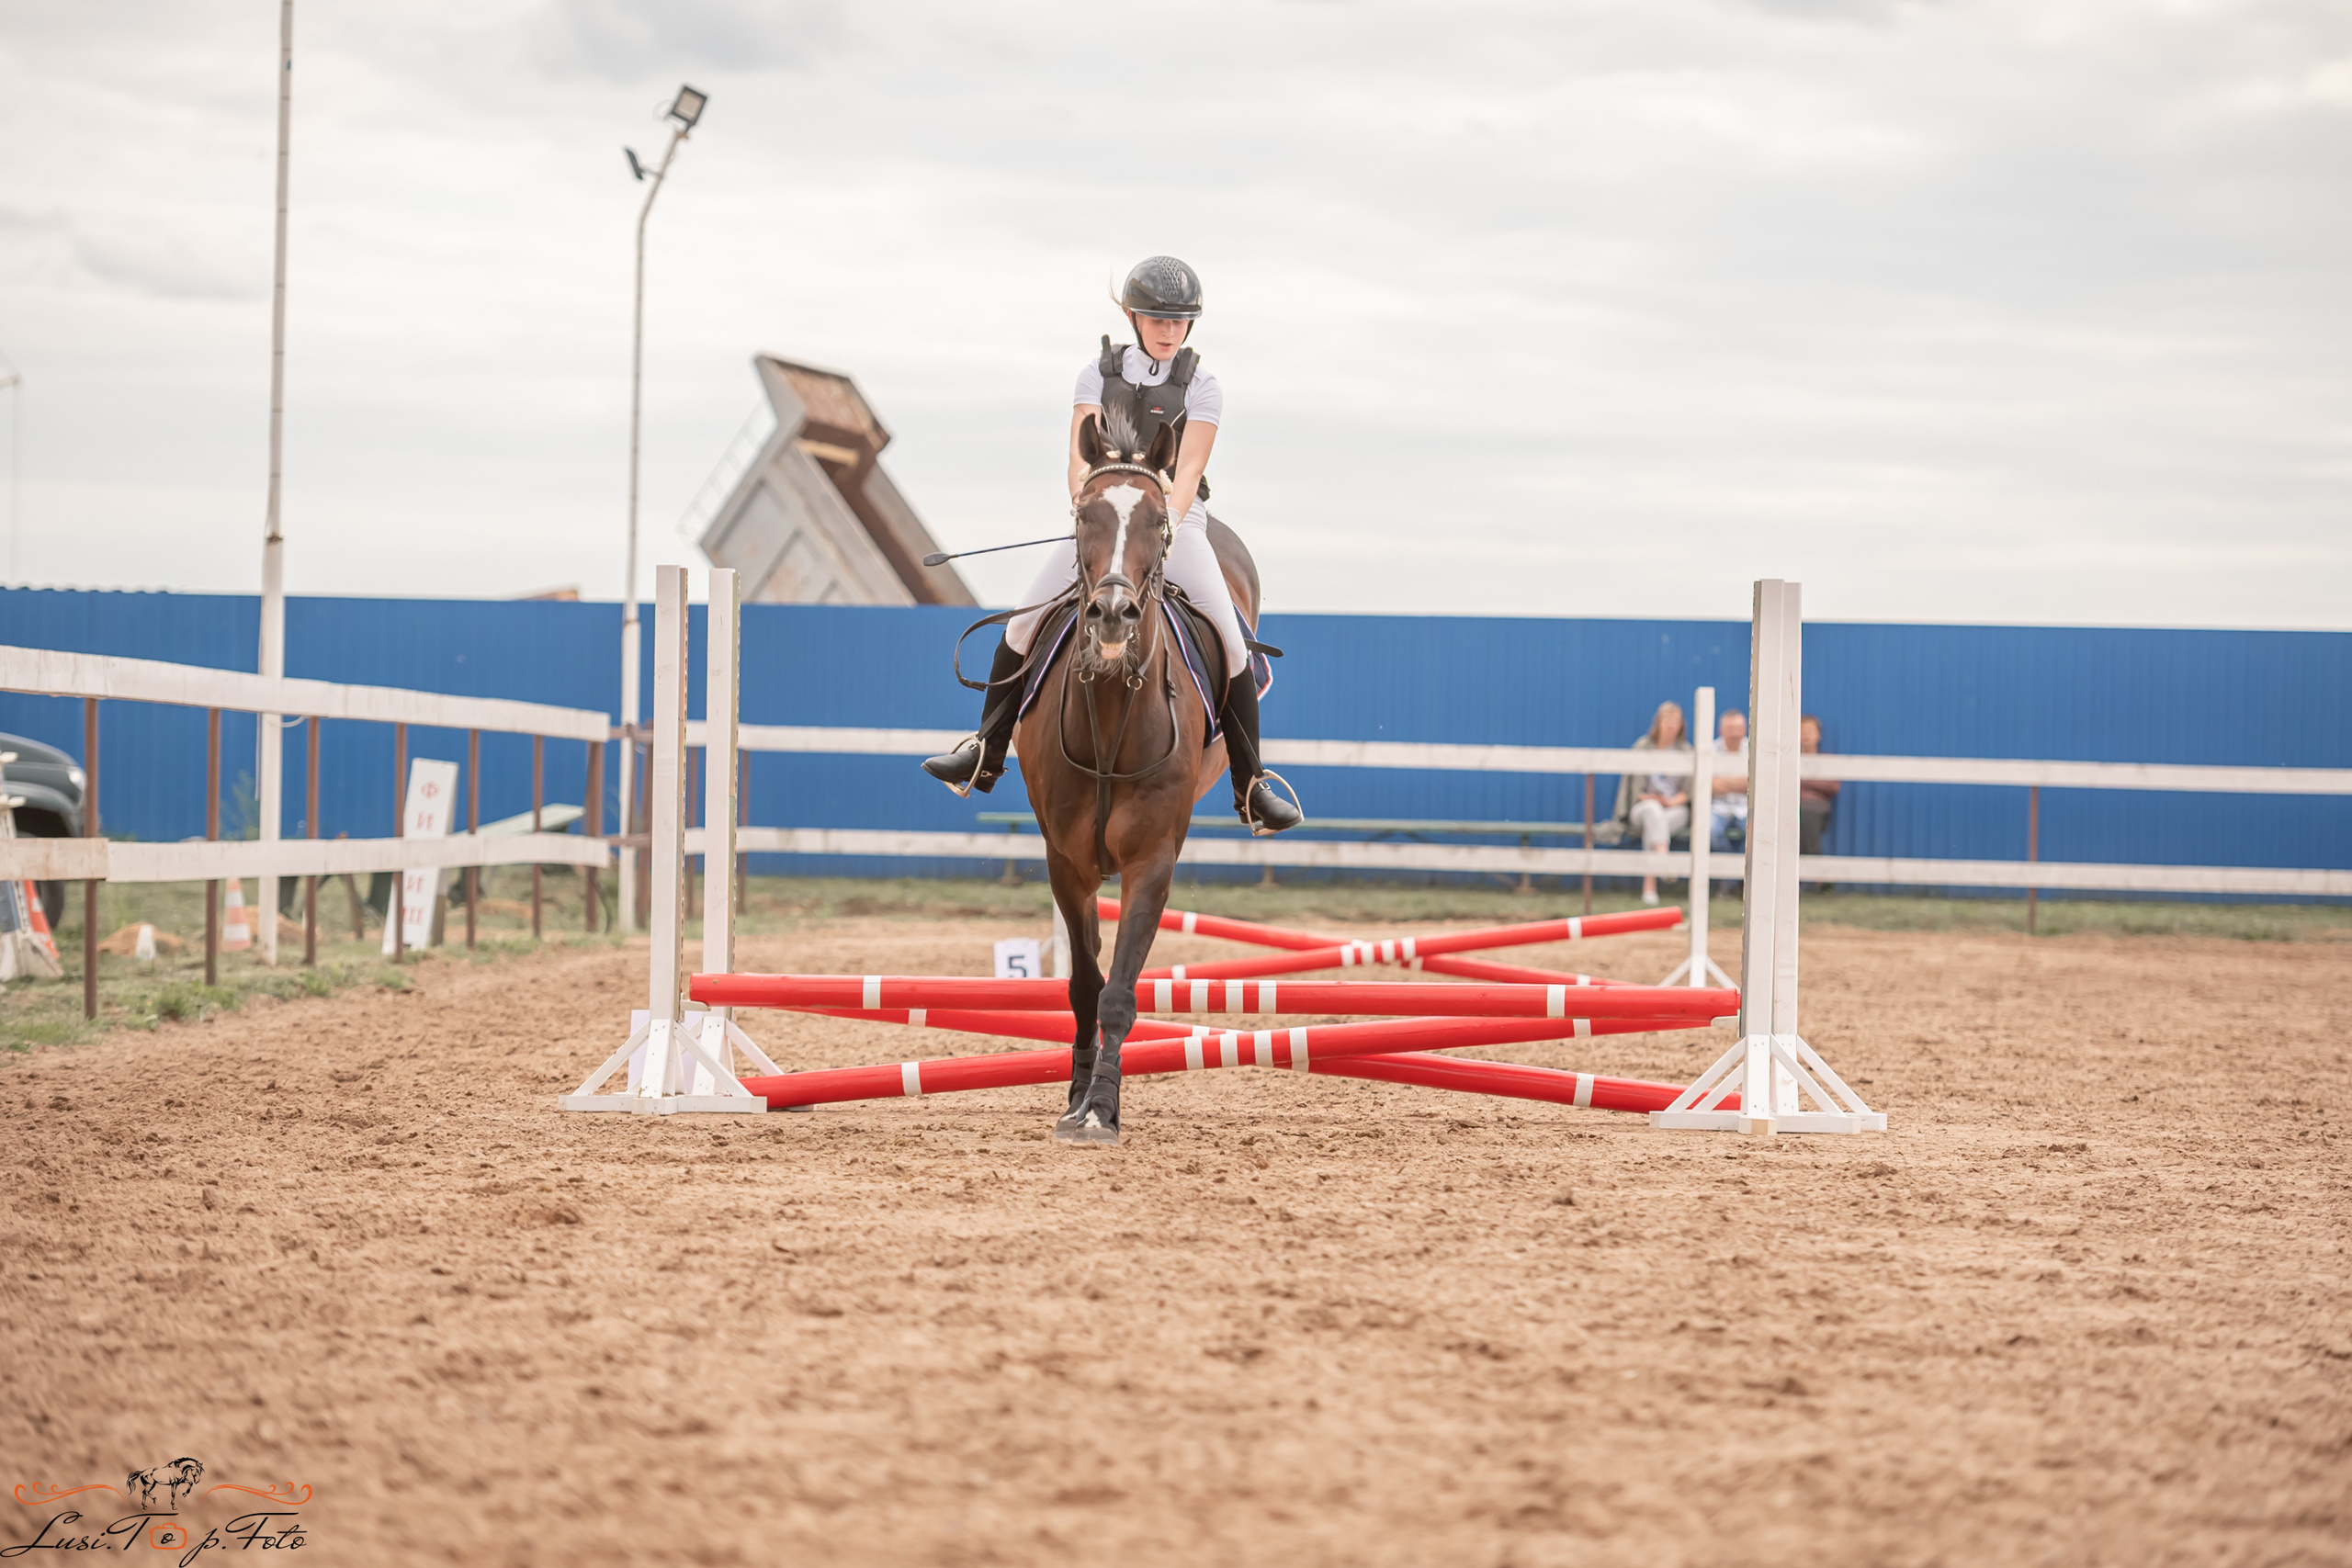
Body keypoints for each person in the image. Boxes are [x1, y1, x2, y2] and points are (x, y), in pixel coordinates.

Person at [921, 255, 1301, 834]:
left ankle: (1251, 784)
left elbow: (1190, 466)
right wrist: (1091, 512)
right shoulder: (1095, 374)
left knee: (1231, 639)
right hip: (1101, 519)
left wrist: (1159, 526)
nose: (1169, 331)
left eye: (1180, 322)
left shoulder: (1203, 385)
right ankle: (986, 753)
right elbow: (1080, 458)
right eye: (1157, 320)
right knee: (1022, 624)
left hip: (1177, 523)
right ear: (1132, 317)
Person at [1610, 701, 1690, 907]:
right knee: (1653, 812)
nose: (1671, 725)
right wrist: (1649, 798)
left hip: (1675, 809)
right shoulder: (1642, 747)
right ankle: (1664, 862)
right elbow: (1632, 789)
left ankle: (1650, 885)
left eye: (1676, 721)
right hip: (1643, 806)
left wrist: (1670, 801)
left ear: (1681, 725)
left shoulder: (1687, 751)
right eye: (1668, 721)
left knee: (1656, 820)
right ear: (1659, 723)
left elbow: (1690, 792)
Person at [1799, 713, 1839, 859]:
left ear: (1819, 735)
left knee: (1806, 812)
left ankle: (1816, 875)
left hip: (1815, 808)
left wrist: (1801, 781)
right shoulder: (1788, 758)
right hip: (1789, 804)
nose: (1806, 735)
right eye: (1802, 731)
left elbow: (1832, 787)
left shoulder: (1826, 759)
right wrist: (1815, 782)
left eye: (1810, 731)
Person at [1708, 708, 1747, 853]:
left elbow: (1755, 785)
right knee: (1711, 831)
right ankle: (1730, 873)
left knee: (1758, 834)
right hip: (1717, 807)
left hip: (1746, 808)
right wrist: (1741, 783)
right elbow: (1709, 785)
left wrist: (1723, 783)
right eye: (1730, 728)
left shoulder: (1753, 750)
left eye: (1738, 728)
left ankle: (1743, 872)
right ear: (1721, 730)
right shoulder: (1710, 750)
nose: (1735, 733)